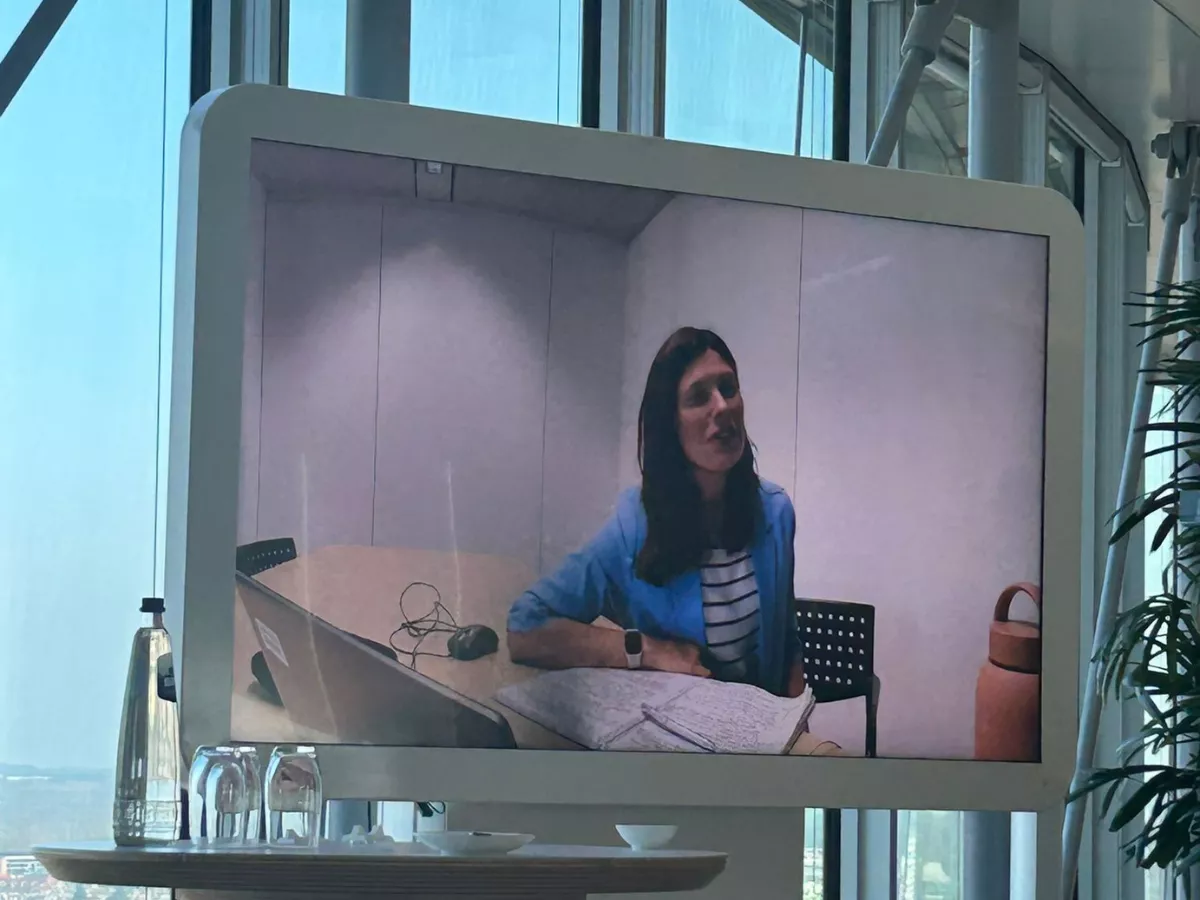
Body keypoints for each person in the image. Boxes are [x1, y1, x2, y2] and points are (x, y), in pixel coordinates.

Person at [507, 327, 805, 698]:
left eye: (728, 388)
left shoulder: (776, 512)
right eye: (699, 397)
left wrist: (797, 721)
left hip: (761, 730)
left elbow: (787, 639)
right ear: (670, 425)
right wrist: (647, 650)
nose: (722, 406)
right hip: (679, 728)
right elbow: (525, 627)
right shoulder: (633, 527)